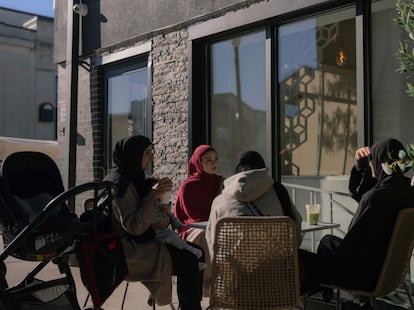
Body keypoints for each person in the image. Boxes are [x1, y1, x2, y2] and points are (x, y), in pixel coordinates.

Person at [104, 135, 203, 310]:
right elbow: (134, 227)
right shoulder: (121, 185)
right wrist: (153, 197)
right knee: (189, 261)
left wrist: (162, 212)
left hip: (145, 239)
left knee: (198, 253)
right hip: (130, 250)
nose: (152, 157)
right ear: (134, 155)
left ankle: (190, 305)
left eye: (152, 152)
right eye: (147, 153)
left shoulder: (134, 177)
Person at [308, 138, 414, 292]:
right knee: (328, 242)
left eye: (372, 161)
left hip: (362, 275)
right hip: (389, 272)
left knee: (302, 259)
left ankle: (323, 294)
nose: (371, 166)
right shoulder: (407, 190)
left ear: (379, 162)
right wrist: (360, 167)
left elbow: (350, 245)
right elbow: (365, 194)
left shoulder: (375, 198)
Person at [205, 150, 303, 259]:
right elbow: (296, 230)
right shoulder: (279, 192)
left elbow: (211, 242)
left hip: (233, 274)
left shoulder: (221, 201)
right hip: (278, 271)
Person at [173, 144, 223, 296]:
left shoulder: (221, 183)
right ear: (198, 162)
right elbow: (185, 217)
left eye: (216, 159)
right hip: (192, 227)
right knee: (202, 237)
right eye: (208, 160)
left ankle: (223, 285)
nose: (214, 163)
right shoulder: (187, 186)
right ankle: (204, 287)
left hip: (215, 224)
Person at [143, 177, 203, 260]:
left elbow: (171, 216)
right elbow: (147, 218)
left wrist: (178, 225)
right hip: (154, 235)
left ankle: (193, 256)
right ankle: (189, 250)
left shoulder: (162, 205)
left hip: (163, 231)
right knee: (172, 237)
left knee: (174, 238)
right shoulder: (147, 205)